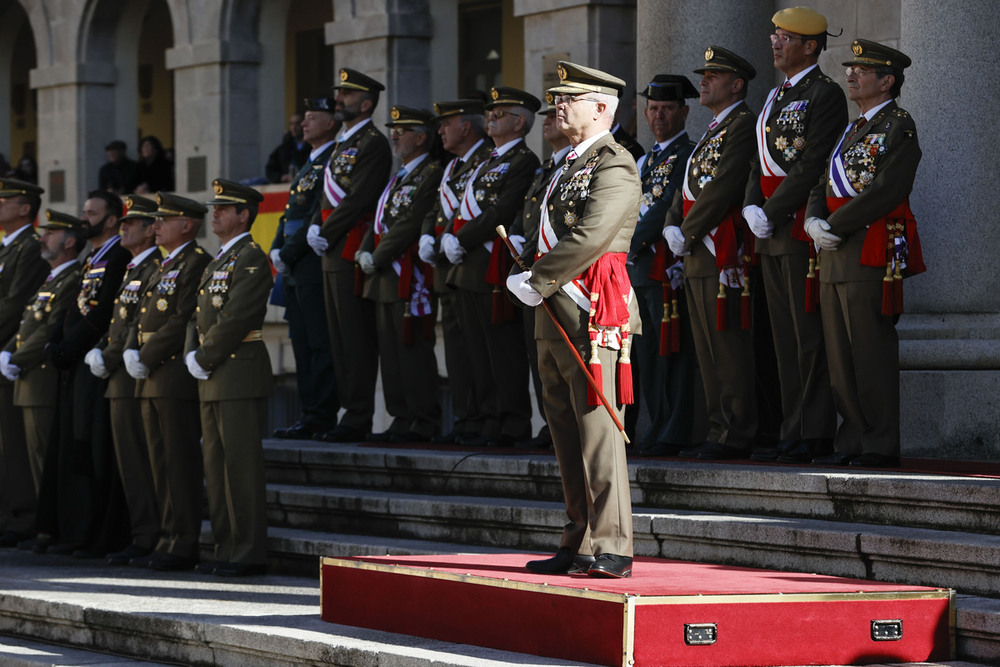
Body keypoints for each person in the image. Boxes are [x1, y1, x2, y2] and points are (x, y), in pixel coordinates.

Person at [509, 61, 641, 578]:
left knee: (597, 430)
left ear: (602, 107)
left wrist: (537, 278)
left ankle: (614, 544)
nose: (558, 106)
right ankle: (578, 538)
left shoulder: (616, 164)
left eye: (570, 98)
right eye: (557, 98)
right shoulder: (565, 164)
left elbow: (594, 235)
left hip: (590, 308)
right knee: (562, 430)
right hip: (551, 310)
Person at [805, 40, 922, 469]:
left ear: (887, 80)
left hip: (867, 249)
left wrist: (832, 225)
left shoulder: (899, 126)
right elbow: (821, 182)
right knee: (839, 355)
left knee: (869, 352)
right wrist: (812, 220)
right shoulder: (852, 129)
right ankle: (851, 438)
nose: (851, 74)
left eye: (862, 69)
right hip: (834, 253)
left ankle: (879, 443)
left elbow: (887, 190)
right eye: (851, 68)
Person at [742, 8, 847, 465]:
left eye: (785, 37)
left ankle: (815, 431)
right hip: (768, 231)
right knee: (782, 339)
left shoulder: (823, 94)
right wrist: (750, 204)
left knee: (807, 337)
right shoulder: (774, 96)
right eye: (775, 35)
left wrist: (771, 209)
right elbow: (756, 159)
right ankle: (791, 428)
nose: (774, 42)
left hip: (796, 229)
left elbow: (812, 163)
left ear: (810, 46)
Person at [663, 46, 758, 460]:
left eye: (714, 75)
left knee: (728, 345)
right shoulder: (714, 128)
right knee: (706, 347)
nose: (703, 80)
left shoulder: (741, 124)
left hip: (720, 249)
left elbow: (723, 185)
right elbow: (687, 186)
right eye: (704, 73)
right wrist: (671, 224)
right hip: (697, 249)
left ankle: (737, 431)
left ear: (736, 85)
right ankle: (718, 427)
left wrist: (686, 230)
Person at [442, 86, 540, 448]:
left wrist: (462, 238)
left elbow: (501, 209)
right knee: (476, 352)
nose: (491, 117)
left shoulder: (523, 161)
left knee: (502, 350)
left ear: (520, 122)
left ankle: (511, 423)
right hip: (467, 264)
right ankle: (485, 420)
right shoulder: (485, 160)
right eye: (490, 113)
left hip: (490, 263)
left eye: (501, 113)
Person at [186, 179, 273, 576]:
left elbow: (237, 315)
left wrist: (203, 355)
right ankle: (226, 548)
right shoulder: (219, 259)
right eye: (213, 207)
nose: (215, 214)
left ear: (243, 215)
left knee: (241, 466)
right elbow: (197, 314)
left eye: (224, 208)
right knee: (215, 466)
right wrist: (193, 352)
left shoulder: (251, 257)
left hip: (236, 371)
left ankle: (248, 551)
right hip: (213, 372)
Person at [41, 191, 131, 557]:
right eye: (83, 211)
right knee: (72, 446)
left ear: (111, 219)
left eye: (91, 212)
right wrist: (57, 342)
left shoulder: (118, 256)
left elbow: (101, 313)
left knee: (89, 448)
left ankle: (91, 532)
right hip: (75, 361)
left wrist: (71, 346)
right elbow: (74, 307)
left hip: (92, 361)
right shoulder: (92, 257)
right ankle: (70, 529)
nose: (84, 218)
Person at [124, 193, 211, 570]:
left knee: (179, 462)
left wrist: (144, 355)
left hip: (172, 374)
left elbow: (180, 319)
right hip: (150, 375)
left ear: (187, 225)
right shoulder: (163, 265)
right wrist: (130, 349)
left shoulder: (195, 262)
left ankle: (184, 540)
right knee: (157, 462)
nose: (155, 225)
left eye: (165, 219)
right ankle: (166, 534)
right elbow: (141, 314)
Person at [307, 68, 392, 443]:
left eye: (348, 94)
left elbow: (359, 197)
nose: (339, 99)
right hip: (330, 246)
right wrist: (314, 224)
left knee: (355, 337)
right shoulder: (344, 141)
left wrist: (324, 231)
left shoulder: (373, 142)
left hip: (347, 245)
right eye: (339, 93)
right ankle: (347, 410)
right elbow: (326, 194)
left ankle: (358, 414)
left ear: (367, 103)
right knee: (337, 336)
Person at [357, 107, 443, 442]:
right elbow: (378, 219)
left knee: (412, 350)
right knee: (390, 353)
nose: (395, 134)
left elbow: (409, 223)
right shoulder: (399, 176)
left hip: (408, 275)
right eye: (393, 129)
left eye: (403, 130)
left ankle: (423, 420)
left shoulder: (431, 174)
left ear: (421, 138)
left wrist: (376, 256)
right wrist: (365, 249)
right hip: (384, 277)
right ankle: (400, 417)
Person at [1, 210, 84, 553]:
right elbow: (26, 327)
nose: (43, 238)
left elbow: (49, 330)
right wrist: (8, 352)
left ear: (69, 242)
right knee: (28, 455)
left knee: (44, 455)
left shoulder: (70, 278)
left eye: (51, 234)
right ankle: (42, 526)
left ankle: (50, 526)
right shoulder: (51, 280)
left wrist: (15, 358)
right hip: (27, 379)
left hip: (42, 378)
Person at [87, 195, 162, 566]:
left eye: (133, 223)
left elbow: (138, 325)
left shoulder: (155, 268)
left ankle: (152, 534)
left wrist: (111, 353)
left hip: (136, 376)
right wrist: (100, 348)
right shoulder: (134, 268)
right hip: (119, 378)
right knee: (129, 462)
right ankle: (142, 533)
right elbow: (117, 323)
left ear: (151, 230)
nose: (123, 228)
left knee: (144, 461)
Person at [629, 74, 699, 457]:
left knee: (671, 351)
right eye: (654, 109)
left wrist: (630, 241)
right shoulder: (644, 158)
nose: (660, 116)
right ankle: (656, 426)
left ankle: (674, 429)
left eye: (668, 108)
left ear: (684, 111)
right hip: (636, 268)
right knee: (646, 353)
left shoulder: (686, 153)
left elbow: (667, 204)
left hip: (662, 265)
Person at [418, 99, 493, 444]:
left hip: (472, 265)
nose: (441, 131)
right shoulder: (452, 166)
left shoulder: (488, 160)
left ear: (466, 127)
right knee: (457, 351)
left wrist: (452, 237)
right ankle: (465, 418)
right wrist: (425, 236)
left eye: (447, 124)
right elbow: (435, 207)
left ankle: (484, 418)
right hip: (446, 268)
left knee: (479, 350)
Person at [270, 98, 340, 440]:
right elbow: (288, 213)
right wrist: (275, 246)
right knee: (299, 341)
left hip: (311, 261)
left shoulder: (333, 159)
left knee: (318, 342)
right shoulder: (307, 162)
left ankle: (322, 415)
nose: (305, 123)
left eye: (314, 118)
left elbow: (316, 209)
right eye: (305, 117)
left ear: (331, 123)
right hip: (294, 264)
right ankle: (308, 413)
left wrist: (289, 250)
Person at [507, 92, 572, 450]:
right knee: (540, 357)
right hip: (532, 268)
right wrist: (518, 235)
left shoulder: (571, 166)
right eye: (545, 116)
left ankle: (560, 426)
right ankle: (550, 425)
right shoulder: (545, 167)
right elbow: (528, 212)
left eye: (554, 114)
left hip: (555, 271)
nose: (548, 120)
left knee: (557, 355)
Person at [0, 178, 49, 548]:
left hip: (11, 354)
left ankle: (21, 516)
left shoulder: (29, 247)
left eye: (6, 200)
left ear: (24, 208)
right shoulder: (7, 248)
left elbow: (14, 305)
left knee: (14, 442)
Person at [266, 113, 310, 184]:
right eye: (291, 124)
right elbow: (270, 169)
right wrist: (280, 177)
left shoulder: (312, 147)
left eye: (297, 124)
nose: (294, 127)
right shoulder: (283, 148)